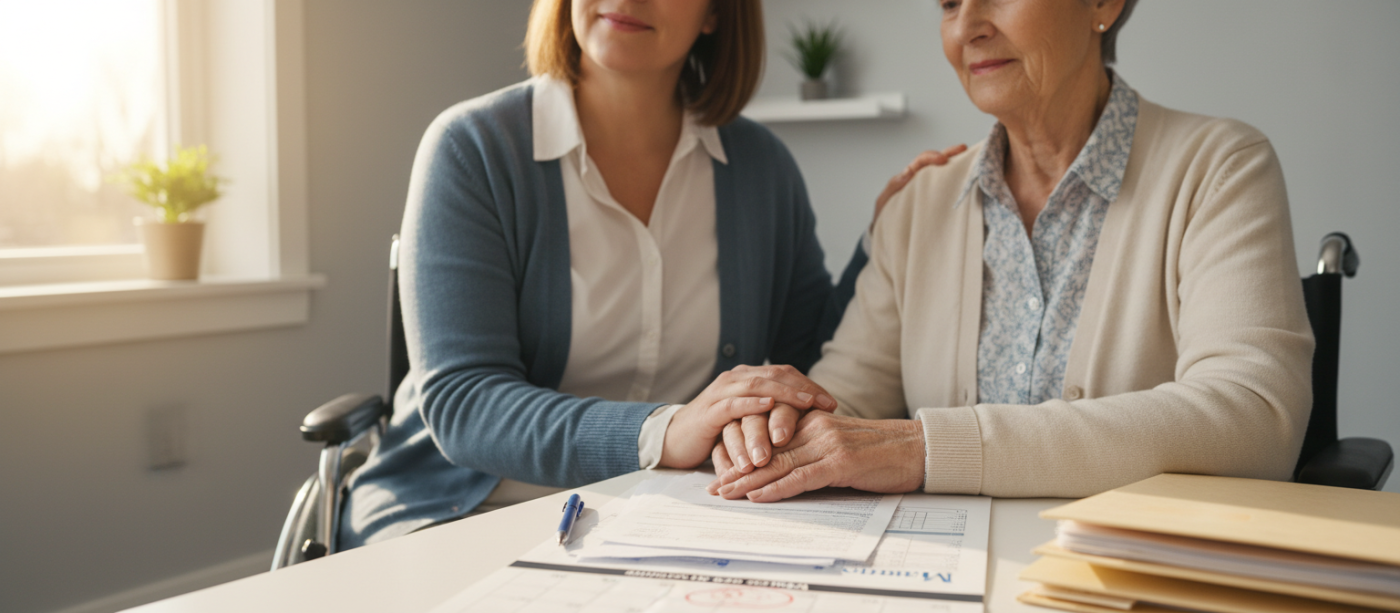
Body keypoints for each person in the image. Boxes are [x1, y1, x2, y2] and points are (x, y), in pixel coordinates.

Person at [337, 0, 966, 549]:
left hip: (668, 519)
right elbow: (465, 402)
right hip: (462, 513)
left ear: (715, 12)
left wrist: (881, 237)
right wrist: (666, 431)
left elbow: (800, 361)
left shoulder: (761, 169)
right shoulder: (470, 150)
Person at [708, 0, 1314, 502]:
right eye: (949, 3)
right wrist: (778, 428)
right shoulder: (919, 203)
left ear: (1103, 5)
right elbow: (842, 403)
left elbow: (1255, 418)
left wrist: (928, 449)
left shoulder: (1221, 168)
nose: (968, 27)